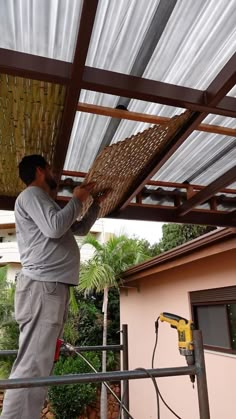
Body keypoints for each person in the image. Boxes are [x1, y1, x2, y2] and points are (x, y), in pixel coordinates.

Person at [1, 155, 109, 419]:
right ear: (40, 170)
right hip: (43, 288)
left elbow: (78, 229)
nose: (54, 174)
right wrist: (78, 198)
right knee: (31, 365)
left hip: (50, 288)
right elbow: (54, 227)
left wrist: (93, 205)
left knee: (40, 364)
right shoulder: (31, 195)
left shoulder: (43, 201)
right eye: (50, 168)